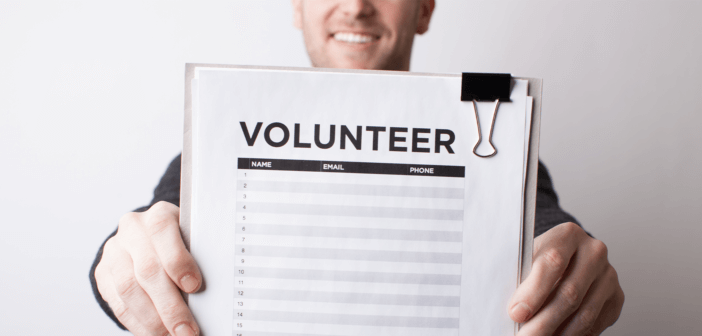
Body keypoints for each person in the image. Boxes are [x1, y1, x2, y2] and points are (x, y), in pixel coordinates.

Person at [90, 1, 624, 335]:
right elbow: (155, 226)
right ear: (297, 8)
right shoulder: (212, 148)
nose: (357, 6)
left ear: (425, 10)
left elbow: (548, 230)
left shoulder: (498, 148)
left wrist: (572, 266)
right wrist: (119, 258)